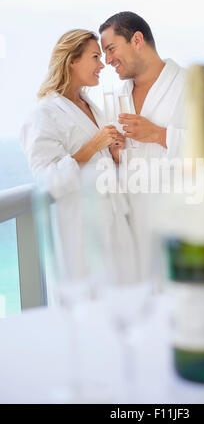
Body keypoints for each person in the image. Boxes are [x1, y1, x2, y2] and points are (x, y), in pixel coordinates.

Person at [20, 29, 138, 287]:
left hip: (117, 226)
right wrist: (94, 146)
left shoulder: (89, 105)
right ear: (72, 60)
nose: (102, 64)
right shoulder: (43, 114)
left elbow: (99, 166)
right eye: (95, 57)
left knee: (126, 308)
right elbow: (48, 182)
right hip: (85, 235)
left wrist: (114, 155)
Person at [99, 11, 204, 162]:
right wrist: (116, 157)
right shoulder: (116, 98)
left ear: (136, 40)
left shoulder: (191, 86)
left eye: (111, 49)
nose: (107, 60)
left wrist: (159, 134)